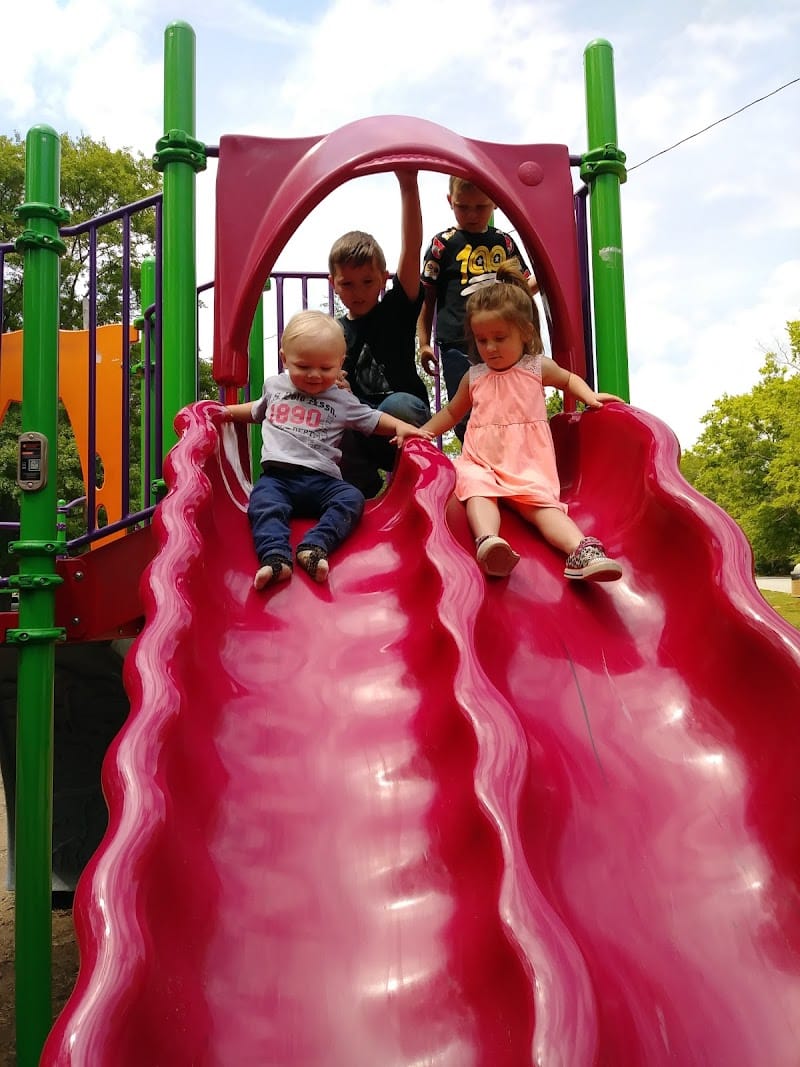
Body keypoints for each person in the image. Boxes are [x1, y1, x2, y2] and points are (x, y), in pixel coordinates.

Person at [399, 263, 623, 581]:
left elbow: (569, 379)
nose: (489, 347)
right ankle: (489, 541)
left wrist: (590, 397)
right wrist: (423, 432)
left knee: (541, 507)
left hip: (527, 461)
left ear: (525, 333)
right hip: (482, 459)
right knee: (476, 489)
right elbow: (452, 413)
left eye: (499, 338)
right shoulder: (474, 376)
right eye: (481, 340)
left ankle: (581, 551)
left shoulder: (535, 367)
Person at [224, 310, 431, 589]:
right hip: (278, 479)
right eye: (303, 366)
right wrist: (222, 412)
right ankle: (274, 558)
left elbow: (371, 418)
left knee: (352, 498)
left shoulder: (339, 398)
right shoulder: (275, 387)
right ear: (285, 359)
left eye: (325, 368)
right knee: (262, 504)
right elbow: (257, 410)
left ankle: (315, 545)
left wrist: (399, 427)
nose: (314, 375)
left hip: (323, 482)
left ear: (339, 363)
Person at [329, 169, 431, 498]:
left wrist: (408, 183)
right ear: (334, 283)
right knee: (330, 412)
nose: (358, 292)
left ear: (384, 278)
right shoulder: (332, 334)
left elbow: (413, 246)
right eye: (347, 284)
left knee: (398, 404)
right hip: (362, 431)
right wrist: (335, 386)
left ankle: (411, 482)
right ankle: (361, 490)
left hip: (402, 422)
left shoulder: (396, 310)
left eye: (367, 282)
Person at [417, 176, 538, 442]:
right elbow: (428, 297)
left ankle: (508, 455)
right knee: (465, 407)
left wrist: (546, 277)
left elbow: (522, 287)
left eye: (481, 207)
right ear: (450, 202)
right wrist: (424, 343)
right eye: (463, 206)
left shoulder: (503, 242)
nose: (472, 215)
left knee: (507, 400)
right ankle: (475, 457)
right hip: (457, 340)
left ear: (495, 202)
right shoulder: (443, 244)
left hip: (500, 337)